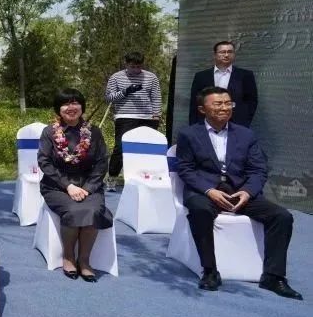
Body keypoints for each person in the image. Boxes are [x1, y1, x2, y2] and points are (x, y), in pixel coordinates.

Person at [176, 86, 301, 299]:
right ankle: (209, 271)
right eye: (218, 104)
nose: (225, 108)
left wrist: (247, 192)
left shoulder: (246, 134)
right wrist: (209, 191)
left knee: (282, 216)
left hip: (239, 192)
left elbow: (258, 169)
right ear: (202, 109)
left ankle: (273, 276)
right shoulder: (189, 134)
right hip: (206, 192)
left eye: (228, 103)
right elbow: (186, 169)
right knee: (199, 210)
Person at [37, 89, 114, 283]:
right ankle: (69, 256)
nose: (71, 107)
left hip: (89, 185)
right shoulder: (49, 132)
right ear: (58, 109)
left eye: (75, 103)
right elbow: (45, 162)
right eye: (65, 103)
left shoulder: (94, 132)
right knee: (73, 209)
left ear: (82, 107)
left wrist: (88, 188)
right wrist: (68, 186)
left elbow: (101, 163)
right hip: (57, 185)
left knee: (93, 209)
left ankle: (85, 260)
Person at [104, 51, 162, 183]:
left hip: (148, 117)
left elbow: (156, 97)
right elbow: (109, 98)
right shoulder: (116, 77)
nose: (136, 70)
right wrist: (126, 91)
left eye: (138, 67)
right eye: (132, 67)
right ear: (126, 64)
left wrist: (156, 114)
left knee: (146, 148)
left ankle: (142, 179)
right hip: (125, 116)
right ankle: (112, 178)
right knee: (120, 147)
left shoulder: (151, 77)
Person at [187, 41, 258, 127]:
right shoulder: (201, 76)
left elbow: (252, 101)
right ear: (215, 55)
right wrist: (195, 126)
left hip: (236, 124)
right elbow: (195, 102)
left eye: (230, 52)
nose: (226, 55)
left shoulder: (245, 75)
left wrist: (244, 121)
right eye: (222, 52)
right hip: (207, 123)